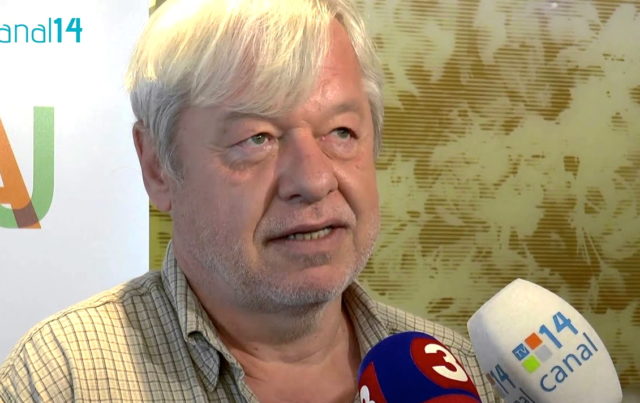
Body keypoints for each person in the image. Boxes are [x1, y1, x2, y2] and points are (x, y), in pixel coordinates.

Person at [0, 0, 497, 401]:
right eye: (257, 138)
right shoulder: (62, 379)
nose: (314, 179)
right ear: (158, 166)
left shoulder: (463, 373)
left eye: (341, 131)